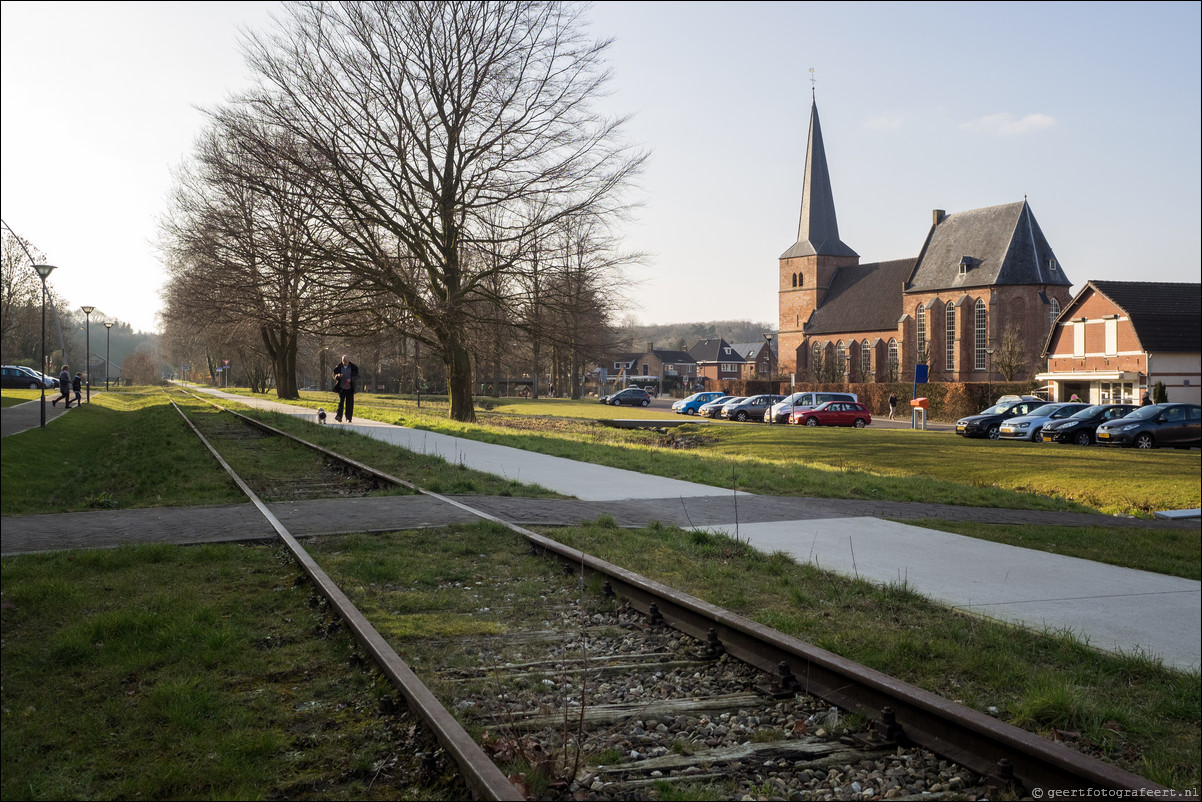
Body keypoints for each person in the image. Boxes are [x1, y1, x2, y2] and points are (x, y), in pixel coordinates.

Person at [332, 354, 359, 422]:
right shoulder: (338, 367)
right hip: (341, 388)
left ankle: (348, 418)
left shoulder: (353, 367)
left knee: (349, 404)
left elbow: (357, 376)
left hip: (350, 388)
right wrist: (338, 376)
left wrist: (351, 379)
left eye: (346, 361)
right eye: (343, 361)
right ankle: (339, 416)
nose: (344, 362)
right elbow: (334, 375)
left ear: (348, 361)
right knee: (341, 402)